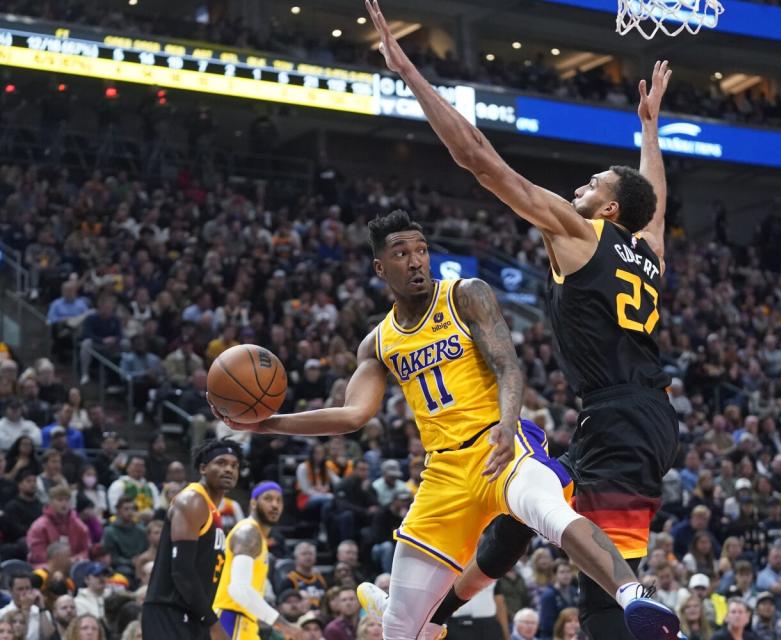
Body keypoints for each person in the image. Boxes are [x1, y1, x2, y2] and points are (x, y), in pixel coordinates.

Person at [364, 3, 678, 638]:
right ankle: (437, 618)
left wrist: (408, 72)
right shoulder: (647, 252)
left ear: (606, 206)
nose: (579, 188)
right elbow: (656, 205)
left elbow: (480, 158)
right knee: (514, 517)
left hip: (620, 419)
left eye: (591, 184)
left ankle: (644, 613)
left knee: (608, 596)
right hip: (637, 417)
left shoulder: (579, 231)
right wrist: (649, 131)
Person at [215, 210, 673, 639]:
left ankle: (632, 595)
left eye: (421, 250)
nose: (416, 262)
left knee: (549, 511)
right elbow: (354, 415)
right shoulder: (378, 343)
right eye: (401, 254)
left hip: (501, 447)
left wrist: (507, 423)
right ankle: (421, 622)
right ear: (380, 269)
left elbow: (508, 368)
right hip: (444, 475)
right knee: (400, 629)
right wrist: (267, 423)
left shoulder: (465, 294)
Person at [142, 438, 242, 640]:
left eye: (234, 465)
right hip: (170, 612)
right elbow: (182, 571)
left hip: (193, 613)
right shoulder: (192, 500)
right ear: (203, 468)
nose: (229, 469)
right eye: (221, 463)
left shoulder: (213, 511)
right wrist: (213, 623)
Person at [212, 481, 304, 640]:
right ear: (253, 503)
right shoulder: (249, 532)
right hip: (231, 621)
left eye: (279, 500)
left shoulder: (258, 537)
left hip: (244, 623)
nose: (275, 505)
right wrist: (282, 624)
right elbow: (239, 589)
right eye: (268, 499)